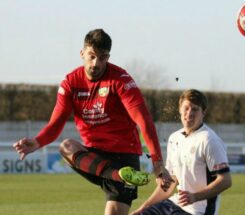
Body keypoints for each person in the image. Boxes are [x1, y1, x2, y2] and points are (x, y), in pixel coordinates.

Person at [13, 29, 173, 215]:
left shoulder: (120, 80)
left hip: (124, 157)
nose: (96, 63)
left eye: (102, 58)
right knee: (66, 146)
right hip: (94, 159)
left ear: (108, 57)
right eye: (92, 56)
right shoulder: (70, 83)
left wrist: (157, 162)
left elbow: (143, 120)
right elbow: (56, 123)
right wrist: (37, 142)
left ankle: (121, 175)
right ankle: (117, 176)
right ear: (82, 54)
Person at [131, 89, 232, 215]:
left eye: (195, 109)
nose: (189, 113)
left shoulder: (209, 140)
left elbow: (225, 180)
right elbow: (171, 181)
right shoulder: (174, 138)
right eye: (186, 108)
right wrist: (142, 209)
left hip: (198, 211)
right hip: (174, 204)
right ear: (180, 109)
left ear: (203, 112)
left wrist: (195, 197)